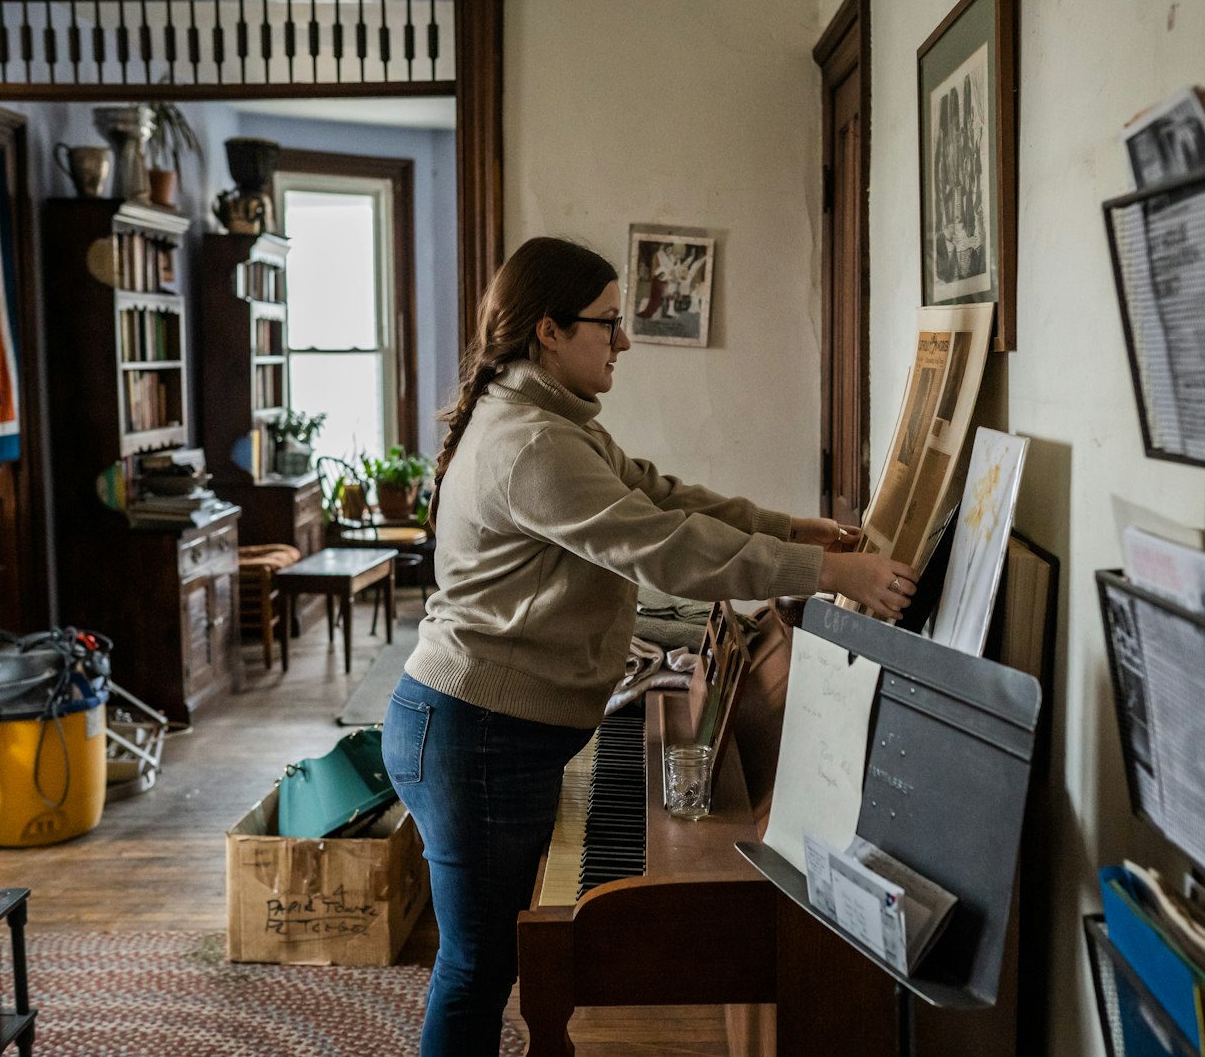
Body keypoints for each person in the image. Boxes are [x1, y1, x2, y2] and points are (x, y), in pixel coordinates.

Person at [382, 236, 918, 1056]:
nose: (623, 341)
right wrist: (827, 568)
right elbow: (665, 546)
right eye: (608, 323)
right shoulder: (532, 443)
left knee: (484, 960)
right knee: (478, 966)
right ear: (550, 331)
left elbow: (658, 494)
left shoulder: (553, 421)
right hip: (473, 736)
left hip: (483, 731)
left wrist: (790, 527)